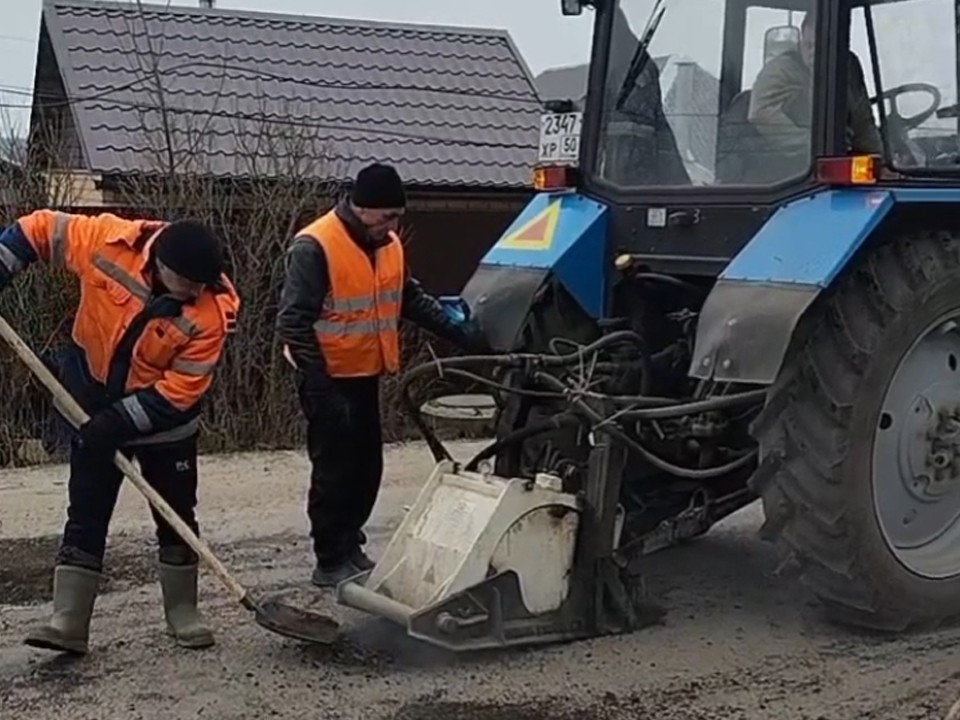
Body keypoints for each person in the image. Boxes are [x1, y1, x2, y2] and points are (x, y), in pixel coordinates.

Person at [0, 209, 240, 655]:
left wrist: (119, 422)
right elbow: (37, 230)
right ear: (162, 265)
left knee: (175, 512)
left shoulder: (211, 313)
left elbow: (178, 393)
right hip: (89, 400)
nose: (195, 292)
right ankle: (68, 621)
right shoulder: (109, 243)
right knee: (87, 509)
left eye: (202, 284)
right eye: (188, 283)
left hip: (164, 425)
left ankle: (183, 612)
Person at [276, 162, 487, 587]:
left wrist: (464, 335)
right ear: (361, 207)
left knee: (365, 468)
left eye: (397, 217)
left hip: (366, 373)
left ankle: (350, 546)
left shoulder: (388, 245)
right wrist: (319, 388)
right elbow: (293, 325)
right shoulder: (314, 246)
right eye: (386, 216)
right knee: (334, 470)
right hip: (327, 379)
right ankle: (330, 558)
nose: (392, 225)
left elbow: (409, 298)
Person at [749, 10, 882, 157]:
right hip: (793, 167)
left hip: (842, 154)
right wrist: (812, 146)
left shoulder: (848, 66)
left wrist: (880, 158)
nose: (813, 52)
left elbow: (862, 119)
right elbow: (761, 114)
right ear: (802, 35)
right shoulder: (779, 71)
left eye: (821, 46)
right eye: (809, 45)